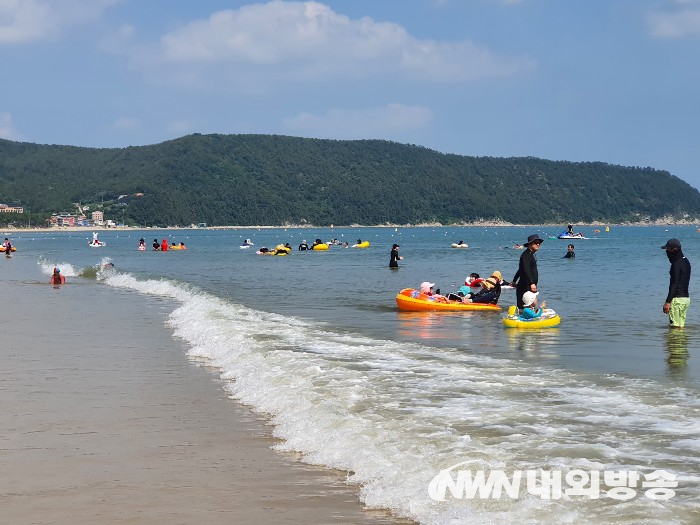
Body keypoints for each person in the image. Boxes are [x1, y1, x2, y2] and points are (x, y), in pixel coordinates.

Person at [661, 238, 691, 328]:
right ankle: (681, 342)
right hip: (685, 300)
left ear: (674, 249)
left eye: (667, 249)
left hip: (677, 300)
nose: (666, 252)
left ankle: (675, 342)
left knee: (675, 328)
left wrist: (668, 302)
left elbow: (674, 284)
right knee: (680, 327)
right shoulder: (686, 261)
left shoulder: (676, 264)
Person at [511, 234, 543, 310]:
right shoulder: (526, 255)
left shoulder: (530, 254)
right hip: (525, 285)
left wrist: (514, 280)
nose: (538, 244)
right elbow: (525, 269)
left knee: (530, 305)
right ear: (530, 244)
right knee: (526, 306)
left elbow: (520, 269)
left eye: (539, 242)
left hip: (528, 284)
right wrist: (532, 283)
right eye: (536, 242)